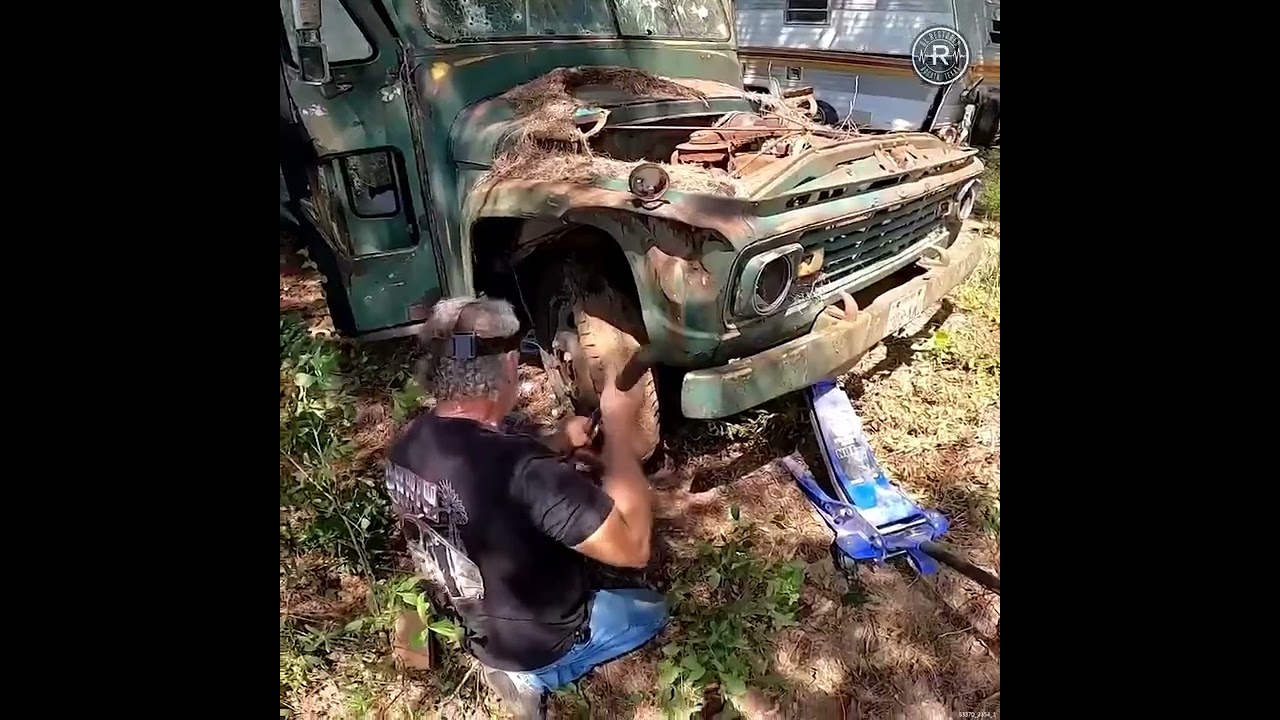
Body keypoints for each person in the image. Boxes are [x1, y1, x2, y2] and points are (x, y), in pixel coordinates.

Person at [383, 295, 667, 718]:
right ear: (511, 365)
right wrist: (620, 430)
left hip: (481, 625)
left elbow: (490, 468)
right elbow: (633, 548)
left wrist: (557, 442)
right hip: (539, 643)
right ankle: (539, 676)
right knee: (651, 611)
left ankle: (509, 665)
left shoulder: (407, 444)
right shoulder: (524, 471)